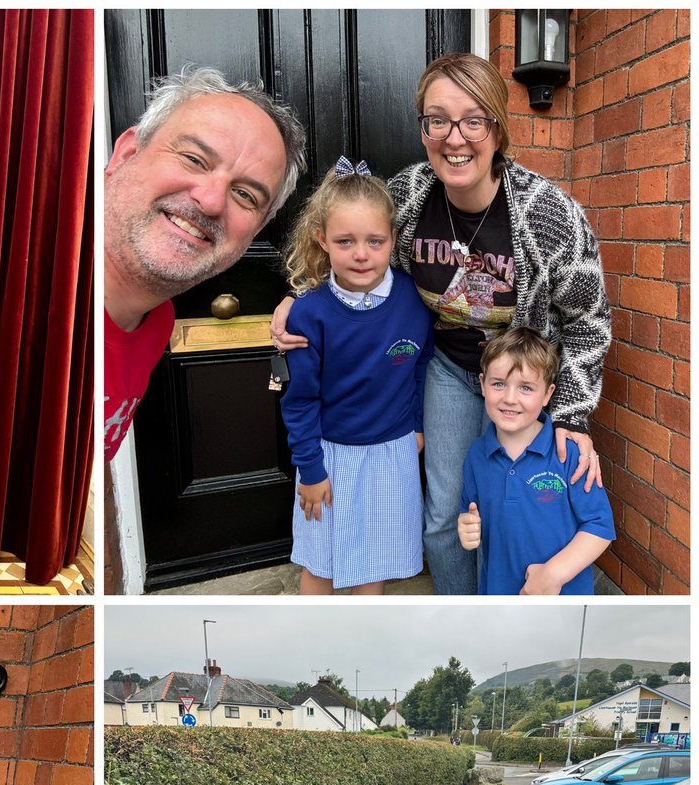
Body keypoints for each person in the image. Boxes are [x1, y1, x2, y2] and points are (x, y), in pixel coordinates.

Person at [273, 53, 609, 594]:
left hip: (521, 382)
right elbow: (353, 245)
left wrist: (571, 414)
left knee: (513, 512)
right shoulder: (407, 196)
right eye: (438, 120)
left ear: (498, 128)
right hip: (447, 370)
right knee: (444, 516)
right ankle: (460, 618)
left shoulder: (549, 215)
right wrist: (299, 299)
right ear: (423, 128)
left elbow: (589, 322)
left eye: (473, 121)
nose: (455, 138)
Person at [104, 66, 306, 461]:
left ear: (255, 231)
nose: (211, 201)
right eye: (194, 159)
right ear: (126, 154)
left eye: (245, 195)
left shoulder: (156, 321)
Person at [279, 160, 433, 594]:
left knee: (374, 563)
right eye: (345, 241)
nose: (361, 254)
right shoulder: (309, 313)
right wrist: (310, 470)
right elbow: (300, 400)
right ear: (322, 239)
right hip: (329, 457)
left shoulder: (413, 299)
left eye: (375, 241)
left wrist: (418, 426)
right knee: (320, 563)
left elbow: (421, 366)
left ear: (393, 239)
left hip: (393, 454)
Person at [459, 327, 615, 594]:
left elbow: (599, 526)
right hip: (499, 596)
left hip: (561, 601)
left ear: (547, 394)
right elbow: (470, 513)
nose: (510, 398)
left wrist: (551, 575)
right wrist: (466, 528)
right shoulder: (476, 455)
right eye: (499, 384)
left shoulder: (569, 454)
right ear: (483, 384)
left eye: (526, 388)